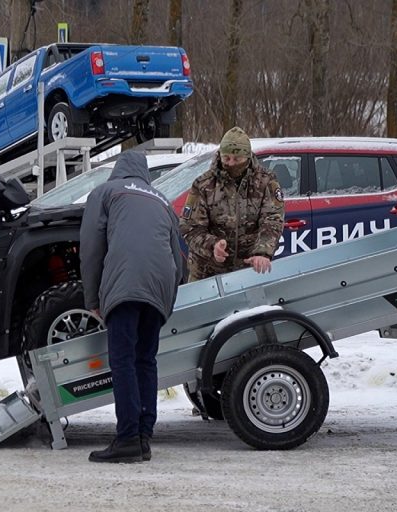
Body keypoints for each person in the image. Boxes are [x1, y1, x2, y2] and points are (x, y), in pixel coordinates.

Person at [80, 151, 186, 463]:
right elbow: (179, 258)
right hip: (160, 287)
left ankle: (127, 437)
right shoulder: (162, 200)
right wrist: (168, 299)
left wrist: (92, 300)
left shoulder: (105, 192)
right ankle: (142, 437)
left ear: (117, 170)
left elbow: (91, 247)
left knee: (123, 360)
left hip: (125, 283)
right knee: (145, 360)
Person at [180, 127, 284, 281]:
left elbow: (272, 219)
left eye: (237, 159)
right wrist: (213, 246)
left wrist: (262, 252)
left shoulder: (266, 181)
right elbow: (189, 227)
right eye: (226, 158)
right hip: (207, 271)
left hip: (248, 269)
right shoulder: (203, 185)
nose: (231, 163)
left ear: (247, 157)